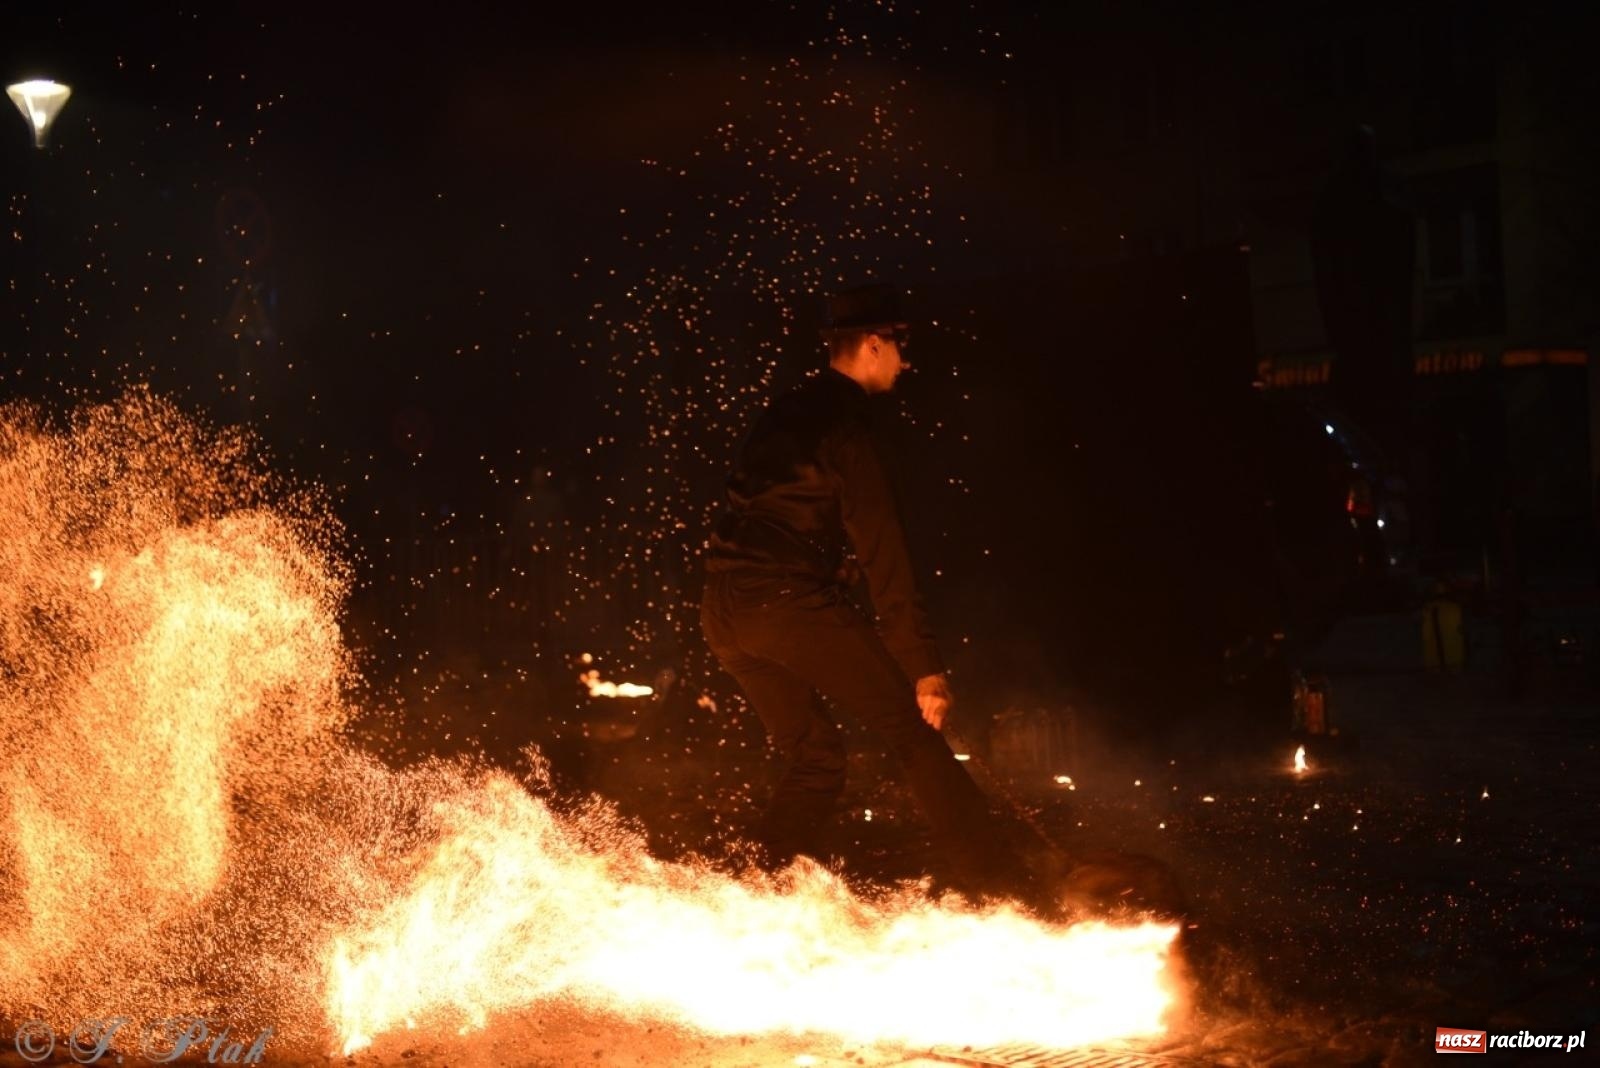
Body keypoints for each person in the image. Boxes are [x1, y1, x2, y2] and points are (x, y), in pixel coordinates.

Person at [699, 283, 1033, 902]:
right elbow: (887, 553)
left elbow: (760, 511)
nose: (907, 365)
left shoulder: (781, 412)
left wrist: (822, 568)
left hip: (724, 612)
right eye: (901, 349)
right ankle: (1007, 897)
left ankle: (744, 896)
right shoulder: (851, 429)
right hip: (786, 605)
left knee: (817, 758)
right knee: (913, 734)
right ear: (873, 346)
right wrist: (923, 667)